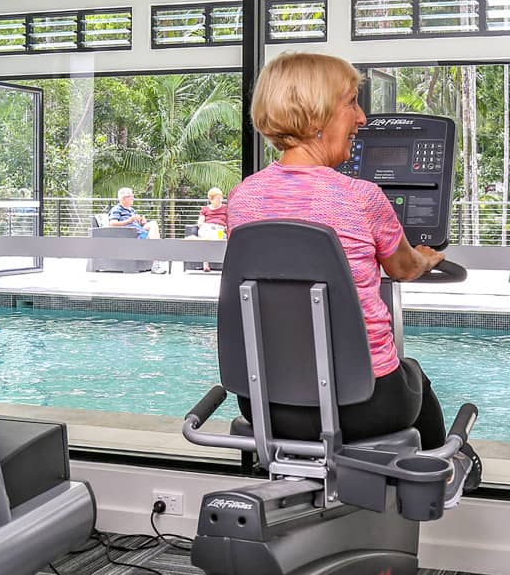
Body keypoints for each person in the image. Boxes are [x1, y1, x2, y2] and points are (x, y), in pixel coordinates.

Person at [227, 51, 481, 501]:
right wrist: (429, 257)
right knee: (413, 373)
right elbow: (403, 267)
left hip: (263, 402)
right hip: (365, 404)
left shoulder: (242, 199)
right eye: (351, 103)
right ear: (318, 115)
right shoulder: (362, 197)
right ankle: (441, 475)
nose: (362, 117)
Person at [196, 186, 228, 271]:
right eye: (217, 198)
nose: (220, 200)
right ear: (211, 199)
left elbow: (230, 221)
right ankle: (205, 263)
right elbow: (200, 223)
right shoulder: (205, 209)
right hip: (207, 228)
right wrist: (208, 226)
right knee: (206, 234)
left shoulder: (225, 208)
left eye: (221, 198)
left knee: (214, 235)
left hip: (220, 229)